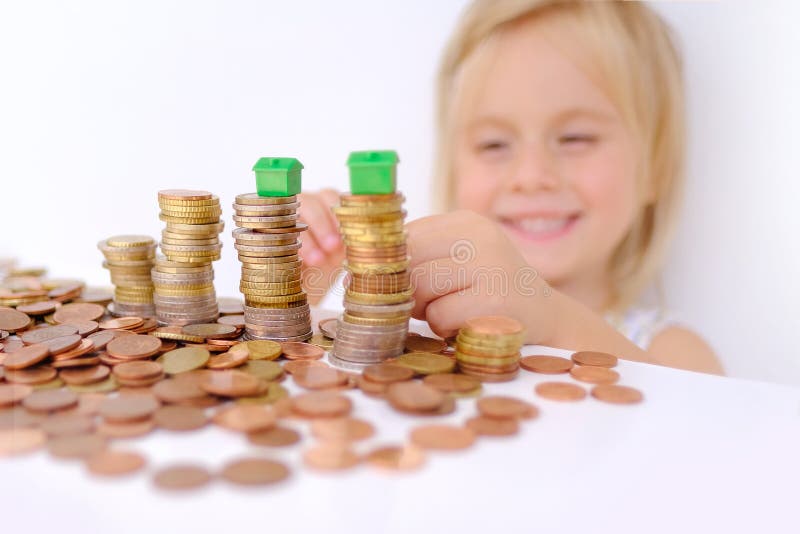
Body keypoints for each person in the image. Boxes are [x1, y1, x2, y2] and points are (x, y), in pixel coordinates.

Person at [297, 0, 723, 375]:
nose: (531, 176)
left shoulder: (673, 350)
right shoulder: (419, 327)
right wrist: (304, 295)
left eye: (576, 138)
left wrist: (553, 320)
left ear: (655, 168)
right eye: (494, 144)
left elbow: (703, 449)